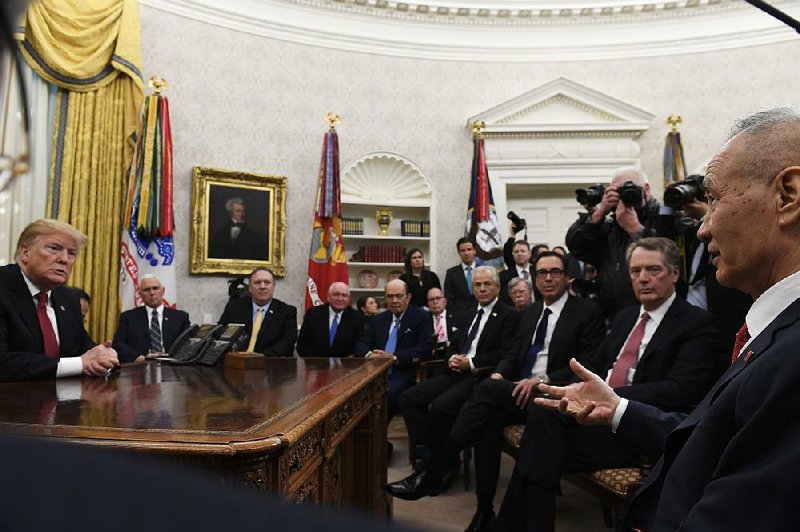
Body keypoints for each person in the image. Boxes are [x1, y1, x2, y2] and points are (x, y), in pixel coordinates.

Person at [529, 106, 800, 532]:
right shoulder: (771, 328)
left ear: (788, 195)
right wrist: (618, 407)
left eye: (713, 199)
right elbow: (716, 432)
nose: (701, 228)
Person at [493, 237, 721, 531]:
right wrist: (577, 391)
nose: (643, 278)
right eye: (635, 271)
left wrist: (609, 398)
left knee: (537, 452)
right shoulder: (625, 318)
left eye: (653, 270)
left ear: (675, 273)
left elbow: (681, 389)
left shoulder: (696, 323)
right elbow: (593, 368)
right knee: (543, 422)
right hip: (589, 421)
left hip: (631, 429)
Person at [387, 252, 605, 532]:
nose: (548, 278)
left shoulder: (586, 311)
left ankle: (434, 471)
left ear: (567, 277)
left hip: (556, 394)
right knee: (487, 418)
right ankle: (484, 509)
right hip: (518, 393)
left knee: (485, 393)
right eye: (542, 273)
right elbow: (513, 354)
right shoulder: (532, 312)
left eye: (555, 272)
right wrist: (501, 373)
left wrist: (541, 380)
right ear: (534, 278)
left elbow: (589, 364)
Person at [399, 266, 520, 461]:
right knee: (408, 398)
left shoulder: (509, 315)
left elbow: (505, 354)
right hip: (453, 372)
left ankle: (440, 460)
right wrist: (452, 359)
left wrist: (470, 363)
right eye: (477, 285)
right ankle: (432, 451)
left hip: (478, 377)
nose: (481, 289)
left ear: (498, 288)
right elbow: (453, 344)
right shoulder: (467, 311)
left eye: (487, 284)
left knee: (439, 407)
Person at [0, 219, 119, 381]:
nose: (65, 259)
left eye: (71, 253)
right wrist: (80, 364)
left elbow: (84, 349)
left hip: (64, 401)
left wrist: (106, 356)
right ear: (25, 252)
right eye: (54, 248)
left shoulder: (68, 298)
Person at [656, 179, 752, 359]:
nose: (704, 232)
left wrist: (707, 213)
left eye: (713, 199)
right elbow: (663, 243)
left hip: (723, 316)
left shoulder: (723, 226)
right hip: (691, 314)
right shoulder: (692, 231)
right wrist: (668, 205)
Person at [566, 167, 661, 319]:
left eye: (630, 188)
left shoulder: (664, 217)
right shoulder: (609, 225)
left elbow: (666, 259)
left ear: (646, 188)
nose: (625, 195)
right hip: (613, 316)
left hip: (652, 314)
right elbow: (576, 246)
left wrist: (635, 229)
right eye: (619, 191)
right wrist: (599, 213)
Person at [354, 279, 434, 420]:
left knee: (385, 394)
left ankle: (378, 439)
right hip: (374, 371)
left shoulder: (421, 317)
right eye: (390, 296)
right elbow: (361, 343)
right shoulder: (379, 319)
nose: (394, 300)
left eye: (399, 296)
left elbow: (425, 348)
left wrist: (393, 357)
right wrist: (370, 354)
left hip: (403, 371)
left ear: (408, 297)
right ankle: (366, 440)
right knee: (352, 395)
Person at [218, 267, 297, 356]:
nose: (262, 287)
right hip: (236, 362)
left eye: (267, 282)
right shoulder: (234, 307)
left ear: (273, 287)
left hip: (269, 364)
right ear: (250, 288)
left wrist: (258, 357)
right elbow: (220, 337)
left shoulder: (286, 311)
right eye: (257, 282)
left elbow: (287, 344)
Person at [112, 274, 191, 363]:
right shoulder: (128, 317)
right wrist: (139, 357)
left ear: (162, 291)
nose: (152, 293)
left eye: (155, 288)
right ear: (140, 294)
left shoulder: (180, 317)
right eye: (146, 290)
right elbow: (118, 344)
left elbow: (188, 344)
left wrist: (172, 356)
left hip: (172, 365)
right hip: (141, 366)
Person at [296, 282, 364, 357]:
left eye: (344, 295)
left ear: (349, 299)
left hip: (344, 365)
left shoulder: (357, 317)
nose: (340, 299)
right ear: (328, 296)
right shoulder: (313, 314)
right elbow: (302, 345)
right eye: (336, 294)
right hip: (315, 365)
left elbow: (357, 346)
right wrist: (316, 364)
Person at [444, 237, 478, 312]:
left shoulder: (484, 271)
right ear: (459, 253)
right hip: (460, 316)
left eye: (469, 249)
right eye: (463, 250)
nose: (466, 253)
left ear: (474, 251)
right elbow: (449, 299)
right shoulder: (451, 273)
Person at [426, 287, 457, 357]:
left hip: (453, 355)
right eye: (431, 299)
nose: (435, 302)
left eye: (438, 298)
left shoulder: (457, 317)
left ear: (445, 301)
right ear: (428, 304)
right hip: (431, 359)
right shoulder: (424, 320)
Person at [499, 240, 533, 305]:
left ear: (529, 254)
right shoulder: (504, 276)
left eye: (523, 251)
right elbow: (503, 299)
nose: (519, 254)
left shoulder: (537, 272)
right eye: (516, 252)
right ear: (513, 254)